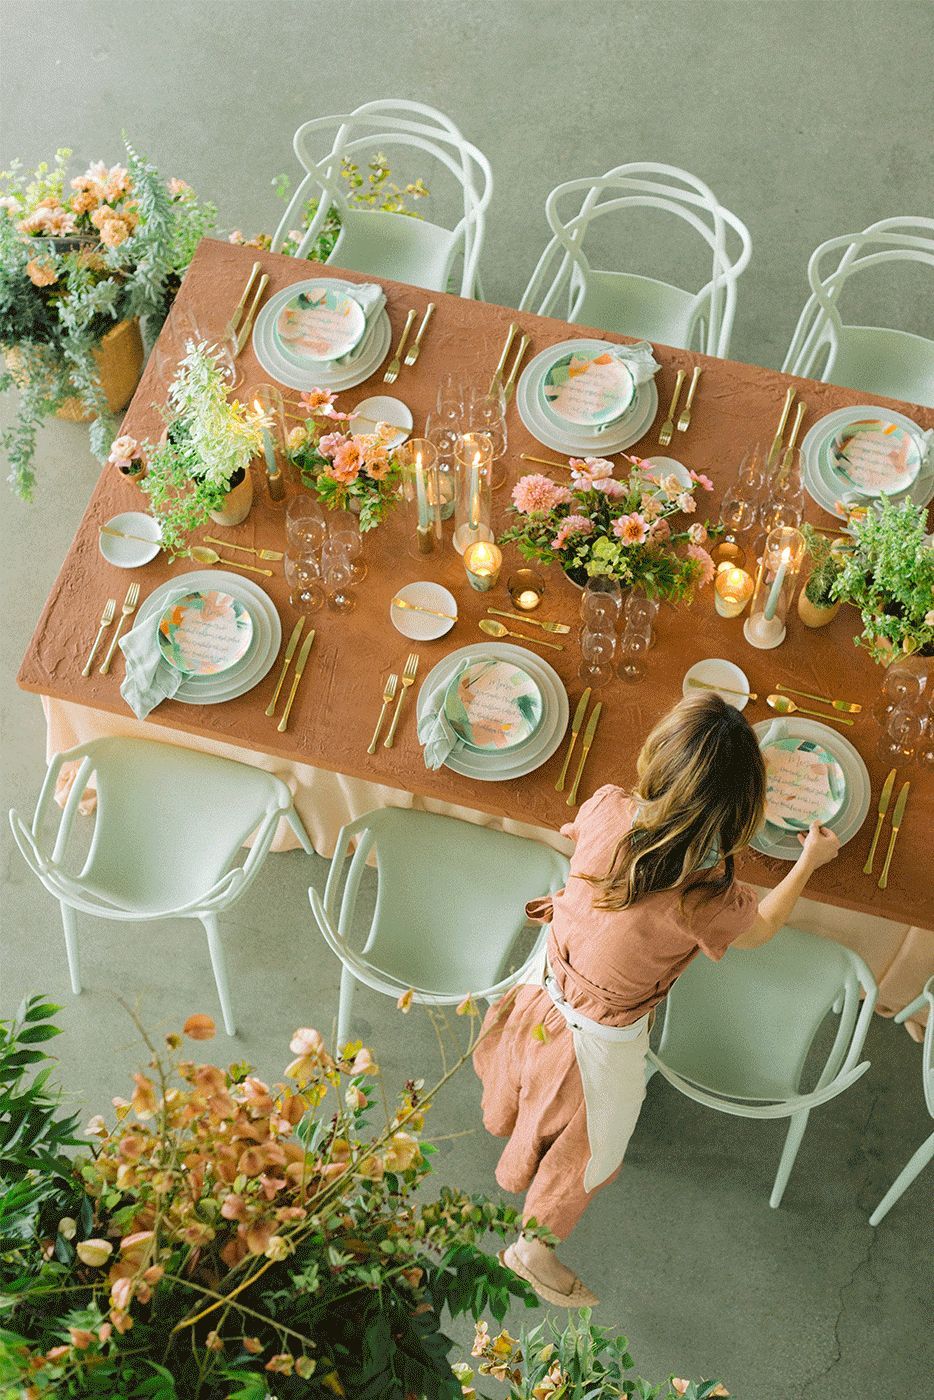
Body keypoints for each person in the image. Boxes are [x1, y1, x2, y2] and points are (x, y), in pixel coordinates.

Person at [473, 693, 841, 1306]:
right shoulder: (706, 898)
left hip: (540, 986)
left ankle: (512, 1138)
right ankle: (533, 1249)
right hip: (595, 1042)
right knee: (589, 1146)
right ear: (740, 808)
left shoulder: (608, 807)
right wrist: (808, 860)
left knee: (525, 1078)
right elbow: (764, 928)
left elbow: (580, 834)